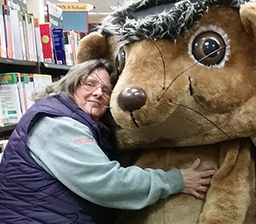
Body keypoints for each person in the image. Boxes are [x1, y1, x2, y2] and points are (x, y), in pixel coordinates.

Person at [0, 59, 215, 224]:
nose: (97, 93)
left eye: (106, 90)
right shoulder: (56, 124)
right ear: (71, 85)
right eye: (89, 84)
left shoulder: (80, 122)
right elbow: (107, 183)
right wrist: (174, 181)